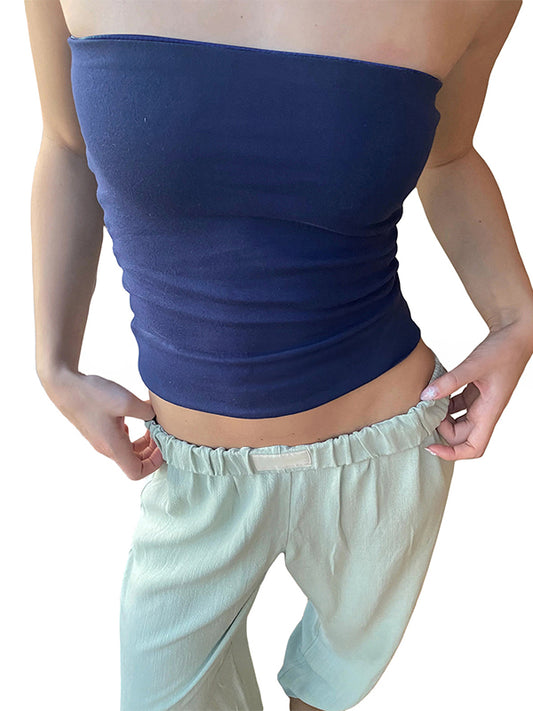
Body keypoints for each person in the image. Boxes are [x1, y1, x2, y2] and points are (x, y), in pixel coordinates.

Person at [25, 1, 532, 710]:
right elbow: (65, 143)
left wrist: (516, 319)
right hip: (190, 473)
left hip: (388, 455)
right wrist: (53, 362)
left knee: (325, 694)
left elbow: (447, 157)